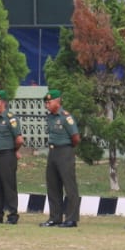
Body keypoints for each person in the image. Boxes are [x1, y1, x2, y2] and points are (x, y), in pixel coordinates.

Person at [41, 91, 81, 227]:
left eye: (49, 102)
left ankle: (71, 218)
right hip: (52, 152)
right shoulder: (50, 117)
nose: (47, 105)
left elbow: (75, 137)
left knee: (69, 186)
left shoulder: (66, 117)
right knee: (53, 185)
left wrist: (67, 148)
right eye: (46, 102)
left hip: (65, 151)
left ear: (57, 102)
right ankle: (55, 217)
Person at [0, 90, 23, 224]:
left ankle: (12, 215)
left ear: (3, 103)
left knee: (8, 186)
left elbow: (19, 139)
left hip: (7, 155)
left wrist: (14, 151)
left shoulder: (10, 118)